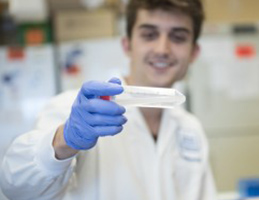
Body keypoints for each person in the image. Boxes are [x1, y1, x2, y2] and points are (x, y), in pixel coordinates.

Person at [0, 0, 217, 199]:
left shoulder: (191, 129)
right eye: (149, 35)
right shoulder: (77, 110)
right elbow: (14, 185)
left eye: (178, 37)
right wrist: (65, 140)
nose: (162, 49)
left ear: (194, 53)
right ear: (127, 45)